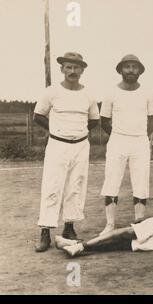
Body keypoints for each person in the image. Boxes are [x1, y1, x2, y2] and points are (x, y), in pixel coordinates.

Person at [34, 52, 100, 252]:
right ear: (62, 69)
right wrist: (57, 130)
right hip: (57, 145)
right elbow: (38, 115)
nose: (72, 71)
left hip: (80, 146)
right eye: (68, 67)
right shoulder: (51, 92)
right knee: (52, 187)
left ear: (82, 70)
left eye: (76, 67)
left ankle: (69, 229)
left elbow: (94, 120)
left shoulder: (88, 94)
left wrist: (77, 133)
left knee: (75, 187)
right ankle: (45, 231)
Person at [98, 54, 153, 235]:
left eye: (134, 67)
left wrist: (141, 135)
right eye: (127, 67)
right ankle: (110, 225)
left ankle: (139, 223)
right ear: (121, 70)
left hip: (140, 141)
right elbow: (104, 120)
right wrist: (119, 135)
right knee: (112, 181)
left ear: (140, 70)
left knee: (141, 182)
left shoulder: (147, 92)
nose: (131, 70)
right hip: (117, 140)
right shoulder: (111, 93)